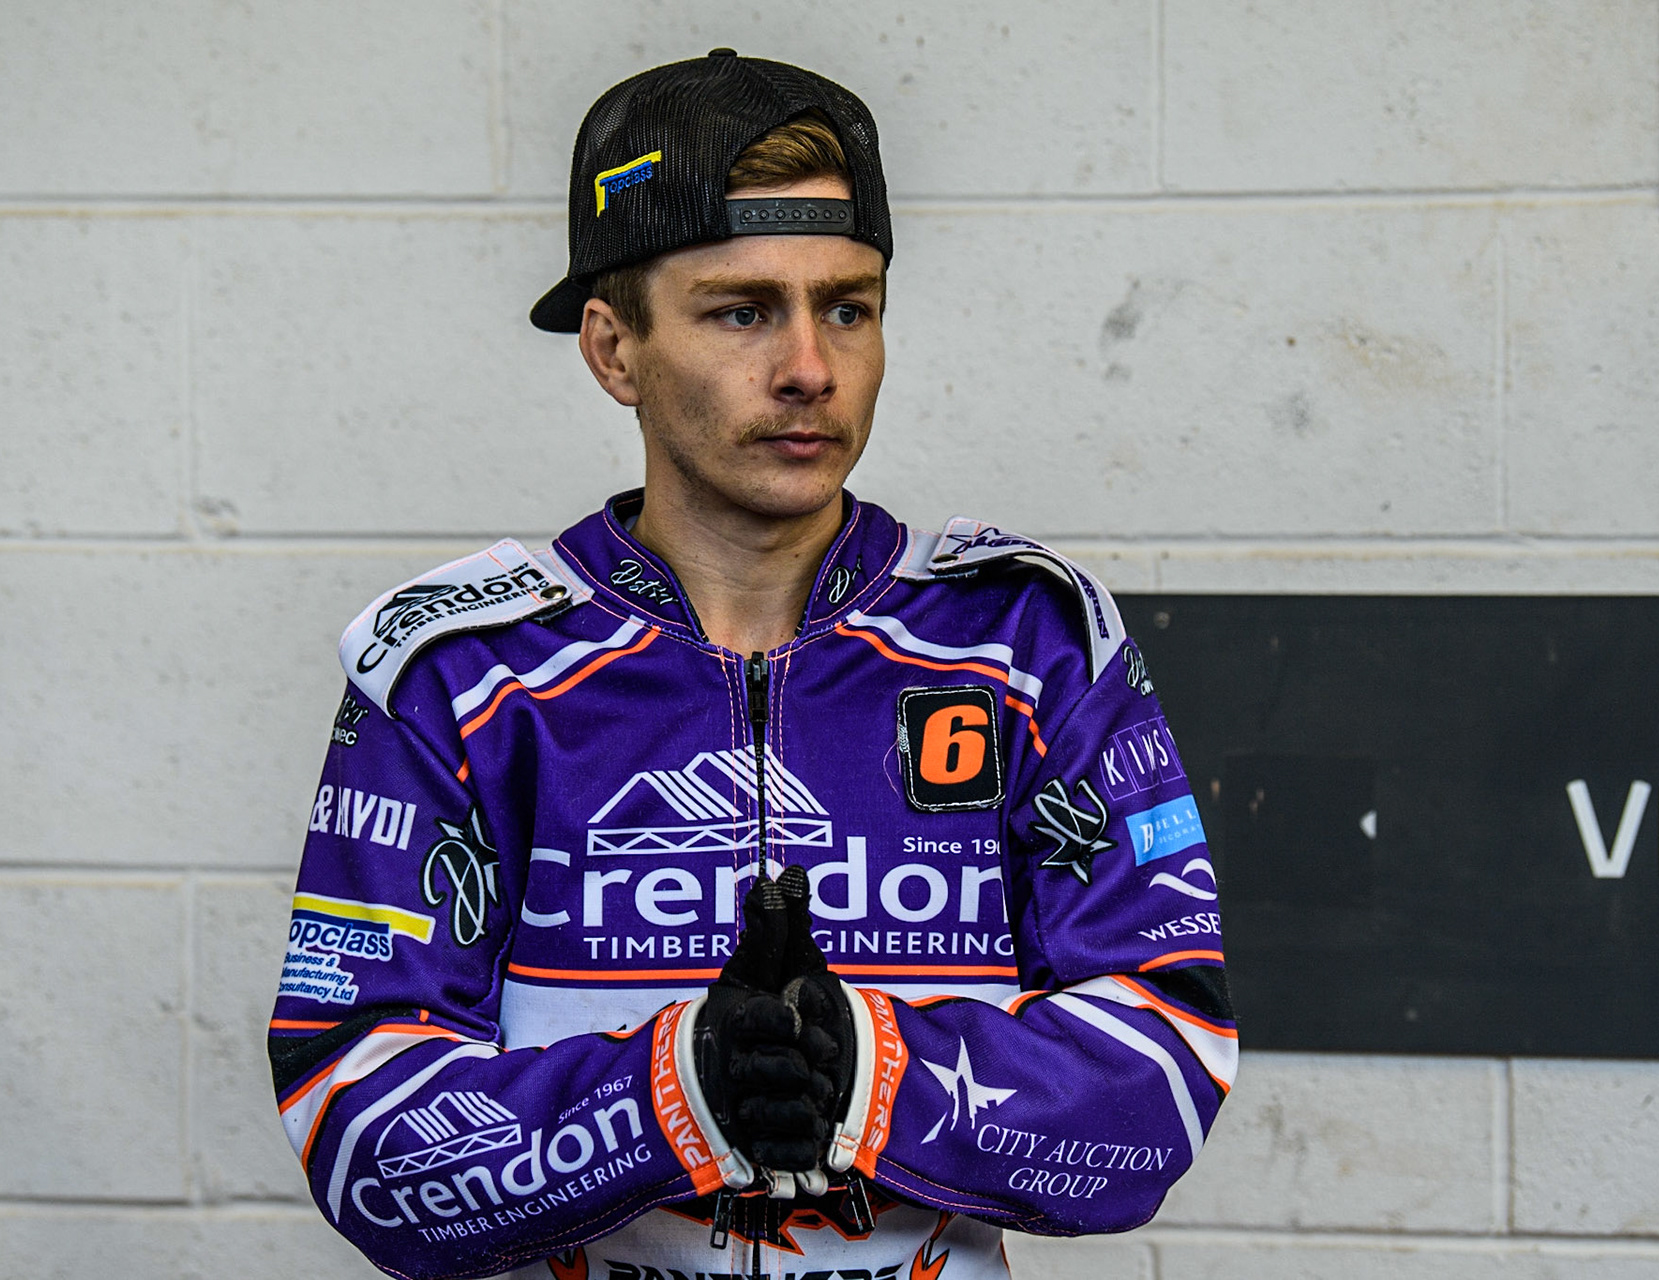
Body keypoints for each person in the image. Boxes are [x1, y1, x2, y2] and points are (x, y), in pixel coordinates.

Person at [269, 49, 1235, 1280]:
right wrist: (674, 1089)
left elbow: (1166, 1070)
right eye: (742, 310)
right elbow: (354, 1120)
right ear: (614, 350)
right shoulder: (456, 676)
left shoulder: (1029, 644)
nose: (810, 367)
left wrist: (875, 1073)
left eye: (848, 307)